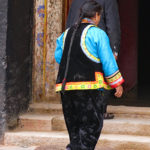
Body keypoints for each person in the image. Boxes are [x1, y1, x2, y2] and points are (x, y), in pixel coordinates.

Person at [55, 1, 124, 149]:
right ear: (97, 16)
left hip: (66, 88)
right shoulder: (98, 34)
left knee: (74, 131)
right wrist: (116, 83)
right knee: (90, 129)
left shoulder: (66, 34)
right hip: (89, 89)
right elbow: (108, 61)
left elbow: (59, 56)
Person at [66, 0, 121, 119]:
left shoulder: (75, 2)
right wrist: (114, 50)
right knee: (98, 79)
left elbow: (69, 24)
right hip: (97, 50)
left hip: (75, 51)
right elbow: (113, 26)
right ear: (96, 16)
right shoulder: (99, 34)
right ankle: (100, 111)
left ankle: (80, 111)